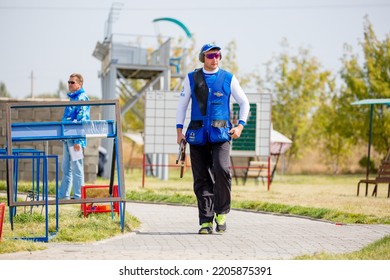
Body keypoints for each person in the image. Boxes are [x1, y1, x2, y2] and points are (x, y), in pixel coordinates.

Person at [176, 43, 250, 234]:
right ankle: (206, 221)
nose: (215, 58)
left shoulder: (228, 78)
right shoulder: (192, 78)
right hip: (197, 135)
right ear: (203, 58)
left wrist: (240, 125)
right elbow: (182, 105)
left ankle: (222, 212)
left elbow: (244, 102)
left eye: (217, 55)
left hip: (221, 135)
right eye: (210, 56)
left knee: (222, 169)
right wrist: (179, 131)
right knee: (201, 178)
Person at [59, 73, 90, 200]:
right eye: (69, 82)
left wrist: (78, 141)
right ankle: (63, 195)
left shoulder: (82, 98)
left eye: (72, 82)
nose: (70, 84)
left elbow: (82, 120)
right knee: (66, 168)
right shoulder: (72, 99)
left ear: (79, 84)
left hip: (75, 139)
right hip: (67, 138)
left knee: (77, 167)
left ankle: (79, 196)